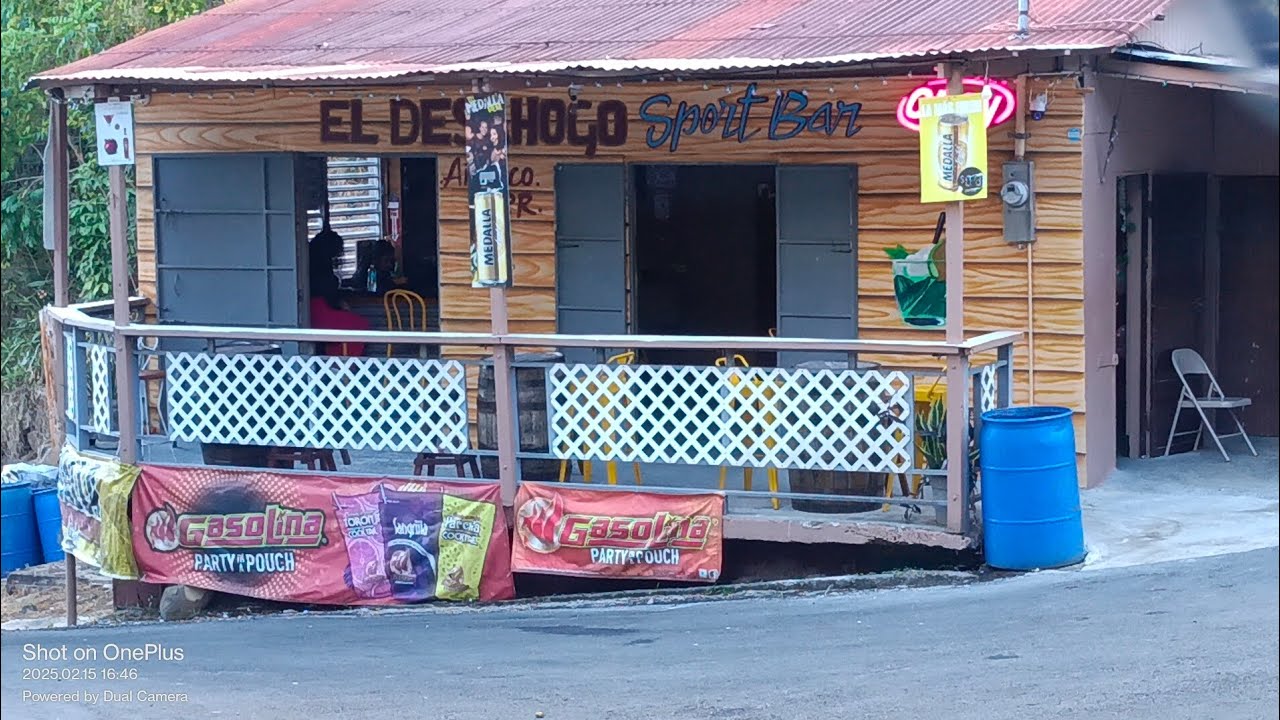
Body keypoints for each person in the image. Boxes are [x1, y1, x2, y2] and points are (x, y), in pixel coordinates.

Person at [308, 228, 368, 356]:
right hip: (321, 312)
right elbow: (326, 291)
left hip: (313, 312)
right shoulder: (322, 268)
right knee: (360, 324)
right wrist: (340, 303)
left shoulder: (311, 262)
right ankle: (346, 361)